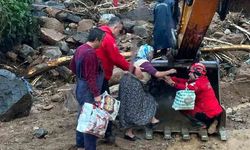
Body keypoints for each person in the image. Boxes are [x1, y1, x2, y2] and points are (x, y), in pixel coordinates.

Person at [96, 16, 142, 143]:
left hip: (93, 74)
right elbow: (115, 57)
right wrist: (131, 68)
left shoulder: (98, 33)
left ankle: (98, 131)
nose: (118, 34)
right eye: (119, 30)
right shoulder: (108, 37)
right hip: (100, 76)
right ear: (115, 27)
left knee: (97, 103)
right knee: (106, 104)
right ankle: (107, 133)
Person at [119, 44, 176, 141]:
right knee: (148, 101)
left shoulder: (135, 60)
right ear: (147, 53)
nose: (151, 55)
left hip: (125, 85)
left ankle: (129, 132)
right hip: (133, 86)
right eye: (151, 53)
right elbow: (157, 74)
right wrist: (170, 71)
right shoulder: (144, 62)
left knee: (127, 108)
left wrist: (163, 77)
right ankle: (151, 121)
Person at [70, 28, 105, 150]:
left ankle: (80, 144)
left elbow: (72, 67)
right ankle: (89, 147)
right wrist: (96, 95)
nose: (102, 44)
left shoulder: (80, 49)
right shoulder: (90, 53)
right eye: (101, 41)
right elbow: (91, 77)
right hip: (88, 90)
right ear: (96, 40)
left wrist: (80, 77)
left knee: (81, 116)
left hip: (80, 85)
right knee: (90, 119)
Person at [164, 62, 223, 134]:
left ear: (196, 74)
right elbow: (185, 82)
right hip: (215, 112)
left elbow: (186, 88)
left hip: (208, 114)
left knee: (182, 107)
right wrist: (172, 78)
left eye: (190, 72)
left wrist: (172, 83)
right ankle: (214, 121)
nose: (189, 74)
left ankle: (203, 124)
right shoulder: (203, 79)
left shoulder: (198, 84)